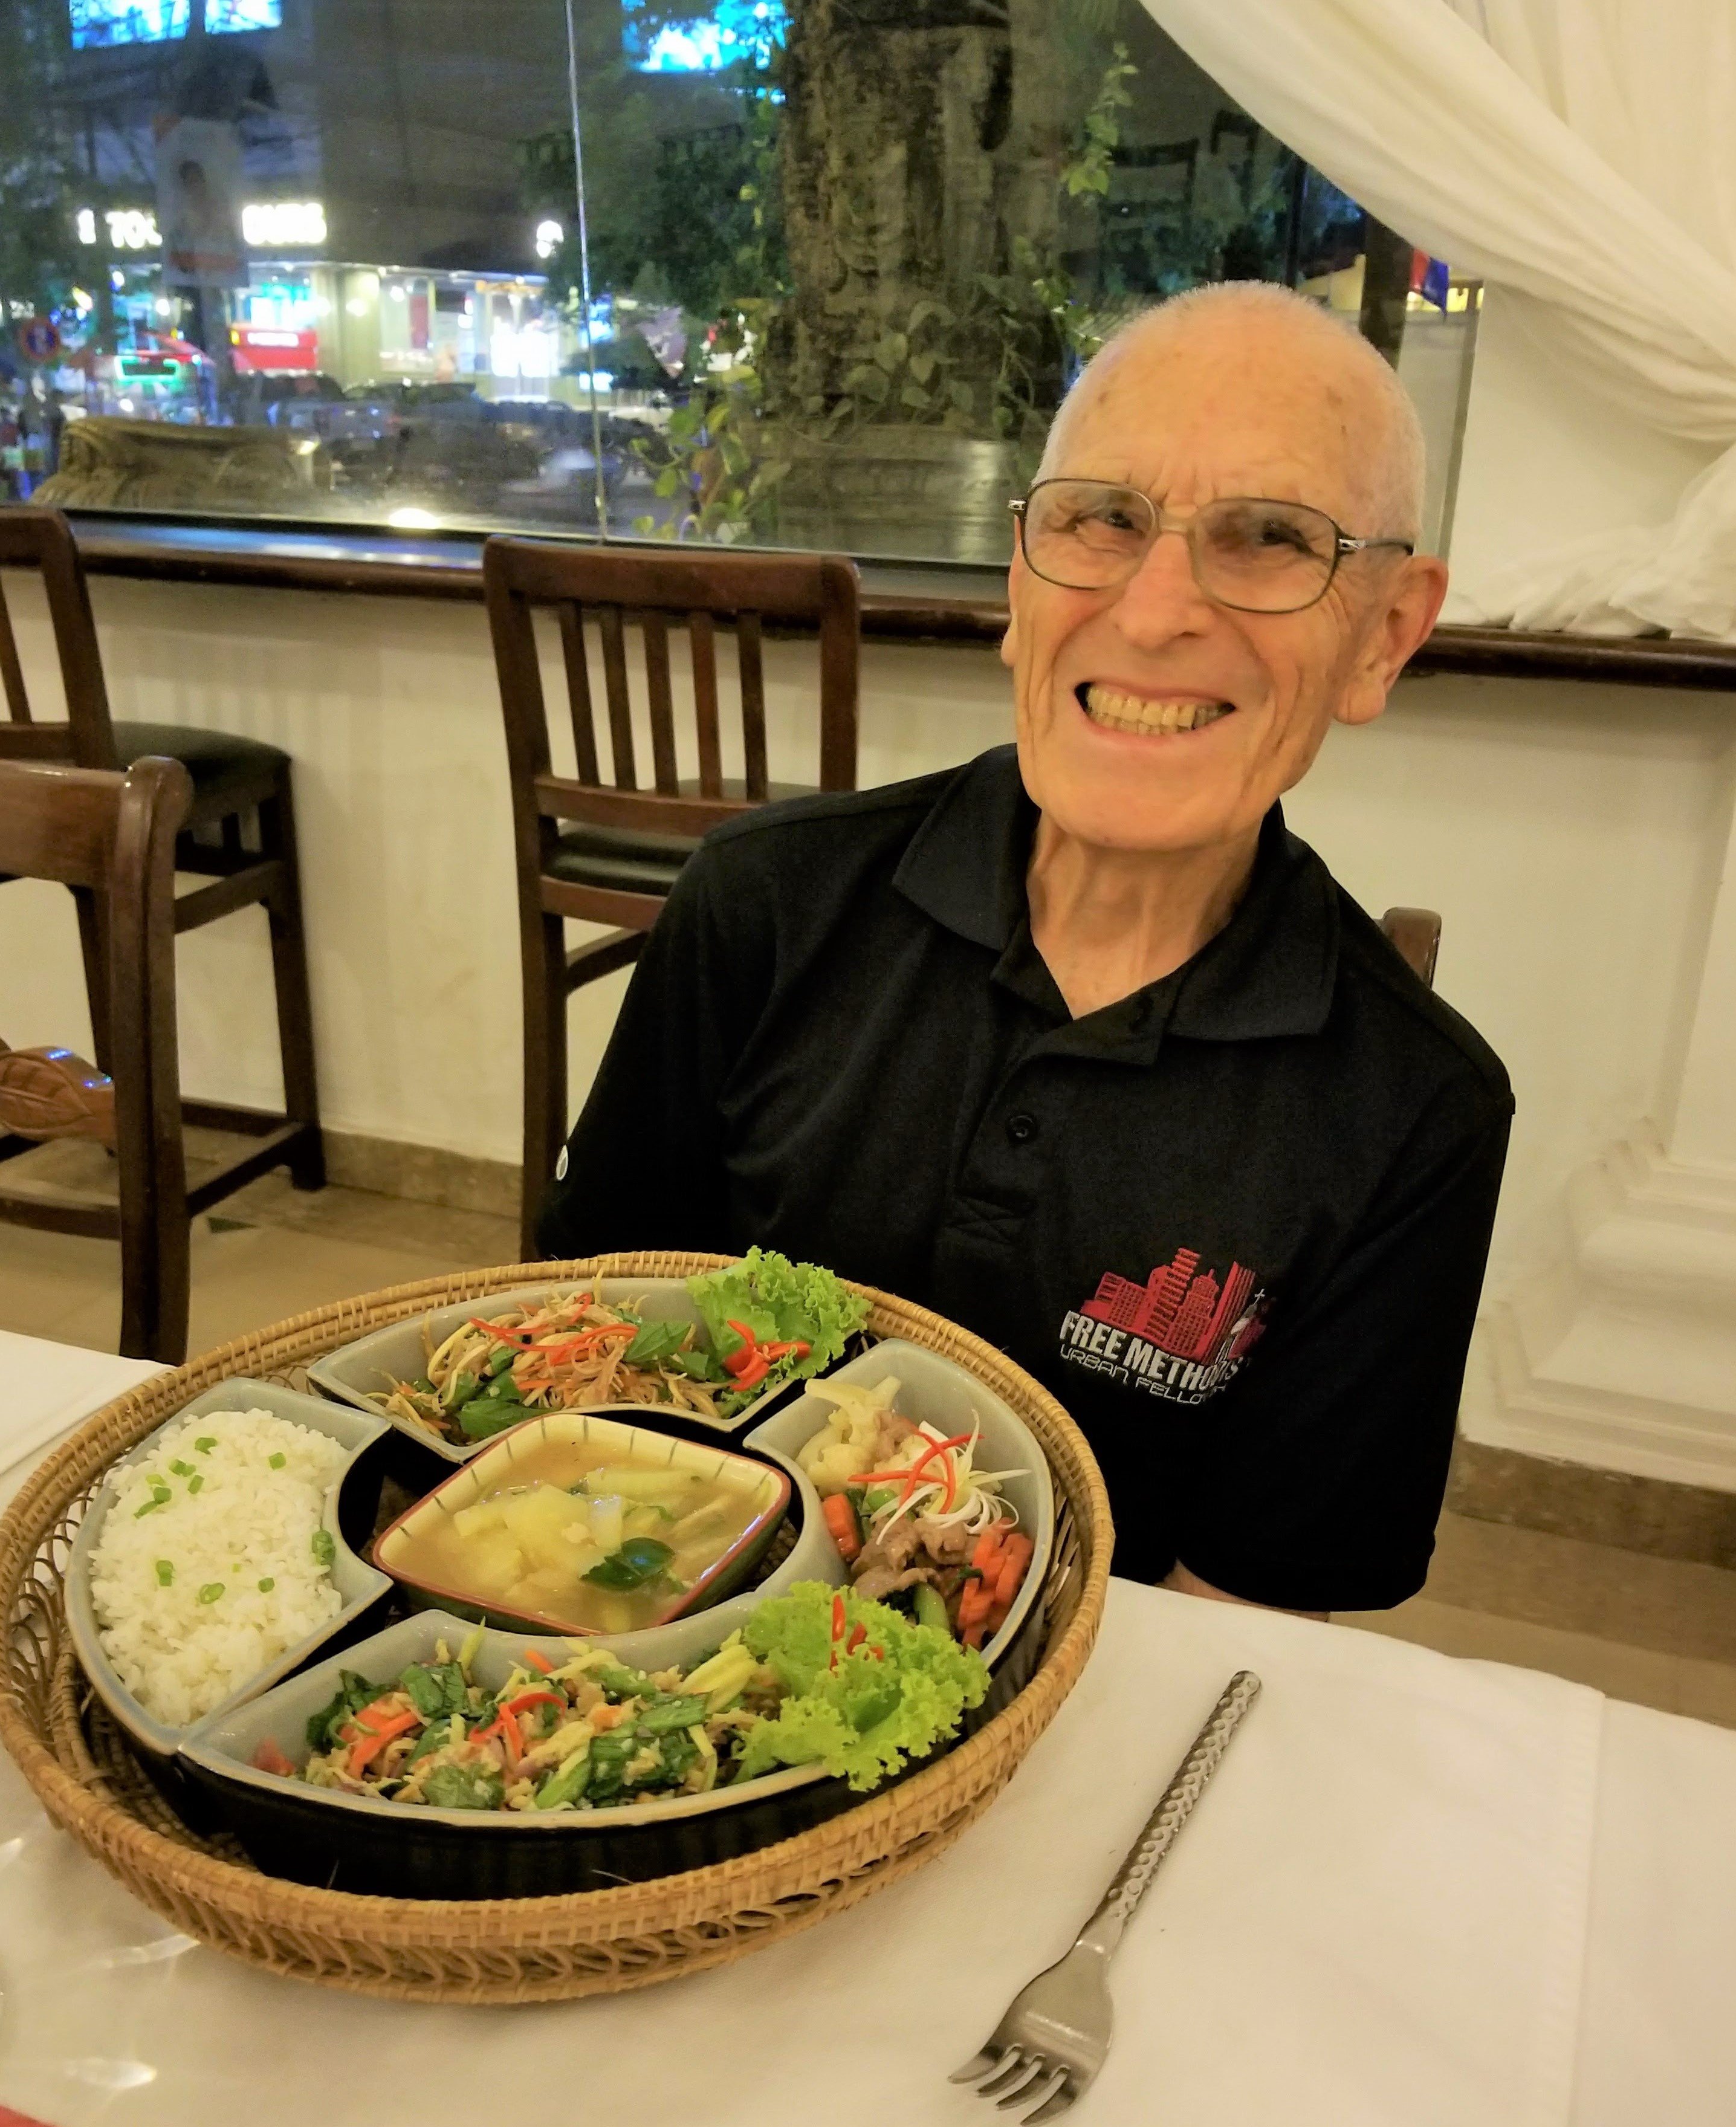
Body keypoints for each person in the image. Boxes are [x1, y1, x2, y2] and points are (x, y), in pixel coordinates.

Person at [539, 280, 1513, 1617]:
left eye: (1269, 537)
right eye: (1102, 518)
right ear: (1019, 579)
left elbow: (1253, 1613)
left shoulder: (1415, 1110)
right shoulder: (759, 907)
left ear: (1384, 633)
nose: (1157, 607)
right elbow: (589, 1353)